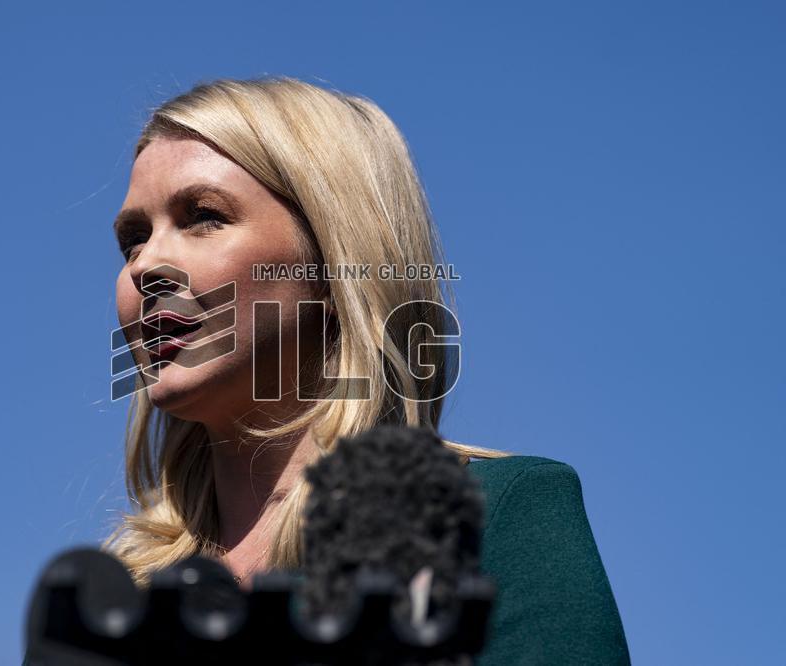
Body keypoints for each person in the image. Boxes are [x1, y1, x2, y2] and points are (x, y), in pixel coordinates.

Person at [103, 76, 630, 664]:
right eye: (133, 239)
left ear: (333, 264)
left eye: (202, 216)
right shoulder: (113, 607)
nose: (146, 265)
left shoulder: (495, 520)